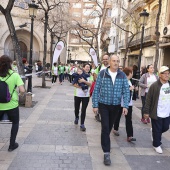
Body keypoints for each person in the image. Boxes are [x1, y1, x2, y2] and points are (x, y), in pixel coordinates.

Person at [92, 55, 130, 166]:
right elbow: (96, 90)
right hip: (103, 105)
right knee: (105, 127)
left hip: (116, 106)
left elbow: (126, 91)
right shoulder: (103, 73)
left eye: (118, 61)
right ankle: (106, 152)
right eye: (114, 61)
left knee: (108, 128)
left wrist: (126, 106)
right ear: (109, 61)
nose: (116, 63)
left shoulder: (122, 75)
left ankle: (105, 140)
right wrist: (95, 105)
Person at [0, 55, 25, 152]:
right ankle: (12, 145)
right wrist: (19, 94)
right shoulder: (14, 75)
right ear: (10, 64)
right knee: (15, 123)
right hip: (12, 105)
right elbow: (22, 90)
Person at [144, 66, 170, 154]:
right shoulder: (154, 86)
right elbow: (148, 99)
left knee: (166, 127)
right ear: (160, 75)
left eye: (168, 73)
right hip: (157, 112)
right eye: (165, 73)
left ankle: (154, 132)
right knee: (158, 129)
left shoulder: (169, 84)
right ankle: (156, 144)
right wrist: (146, 112)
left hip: (167, 112)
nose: (167, 75)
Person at [113, 67, 136, 142]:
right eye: (132, 72)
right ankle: (115, 128)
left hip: (129, 104)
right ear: (129, 73)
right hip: (120, 103)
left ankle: (130, 135)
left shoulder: (130, 81)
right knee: (117, 116)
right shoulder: (122, 80)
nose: (132, 74)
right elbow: (119, 90)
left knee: (129, 119)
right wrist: (129, 89)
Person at [73, 63, 92, 131]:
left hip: (86, 95)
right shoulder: (78, 74)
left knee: (83, 110)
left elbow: (90, 84)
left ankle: (82, 124)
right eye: (86, 67)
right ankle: (76, 117)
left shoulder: (90, 75)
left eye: (89, 67)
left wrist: (84, 81)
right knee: (76, 108)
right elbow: (74, 84)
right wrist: (81, 87)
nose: (88, 68)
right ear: (83, 68)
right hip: (77, 94)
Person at [93, 54, 110, 122]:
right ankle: (98, 114)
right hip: (100, 88)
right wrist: (97, 81)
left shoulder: (111, 67)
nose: (105, 60)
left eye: (106, 59)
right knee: (100, 101)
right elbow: (94, 74)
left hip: (108, 89)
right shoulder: (100, 67)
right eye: (104, 59)